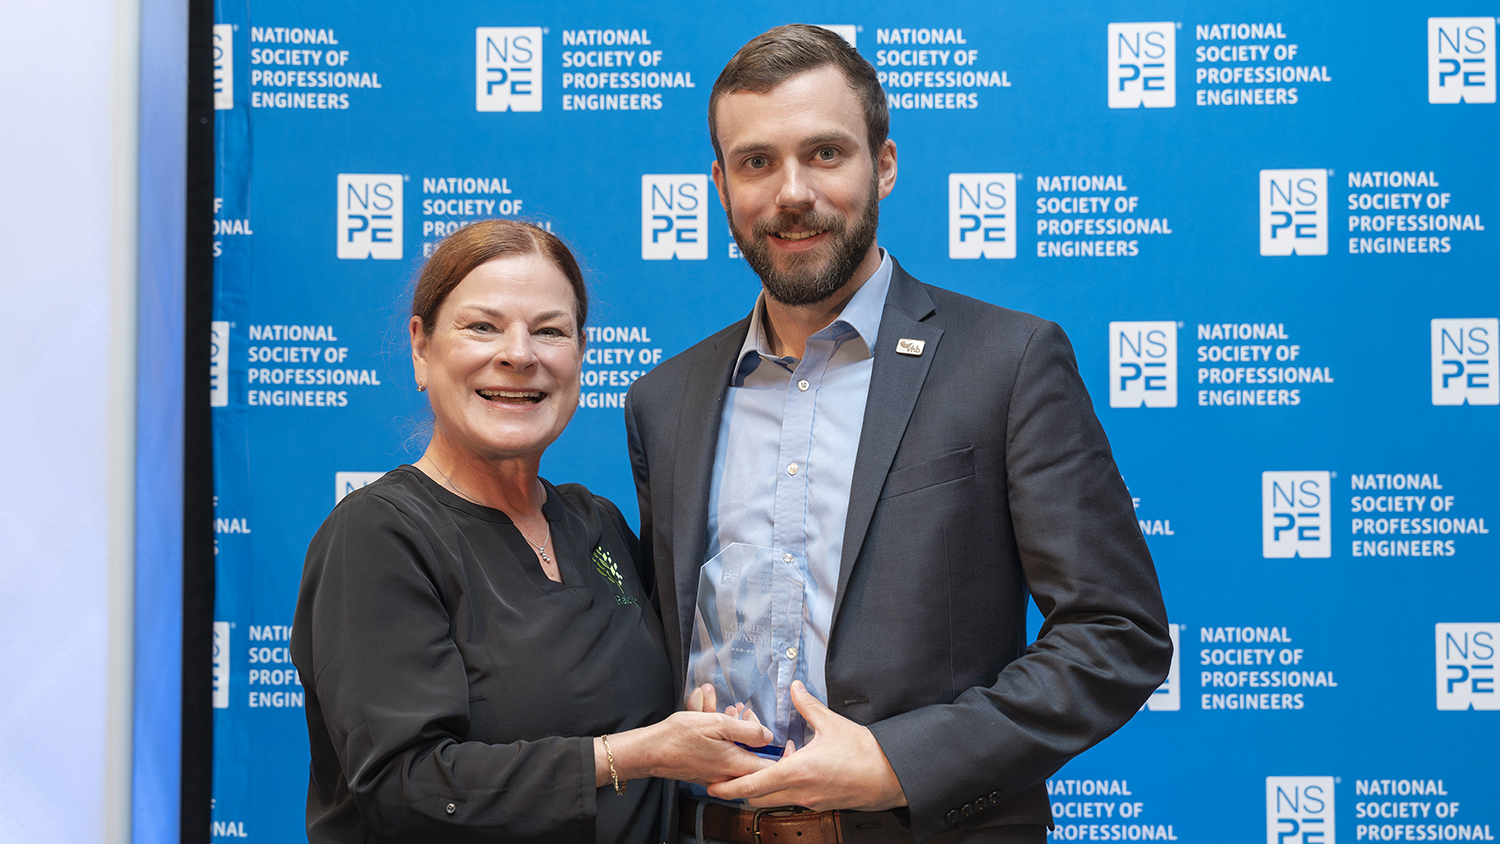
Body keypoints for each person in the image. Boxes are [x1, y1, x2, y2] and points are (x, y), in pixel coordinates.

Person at [623, 25, 1173, 844]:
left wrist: (896, 763)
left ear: (883, 164)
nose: (792, 193)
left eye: (825, 153)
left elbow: (1116, 635)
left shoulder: (1008, 362)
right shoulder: (664, 400)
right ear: (720, 183)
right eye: (757, 162)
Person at [291, 219, 773, 844]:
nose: (520, 355)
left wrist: (696, 722)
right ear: (421, 347)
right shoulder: (378, 535)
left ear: (579, 359)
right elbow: (406, 788)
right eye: (482, 326)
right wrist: (639, 754)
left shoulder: (596, 523)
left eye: (550, 331)